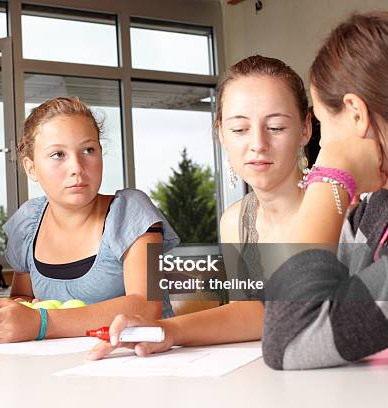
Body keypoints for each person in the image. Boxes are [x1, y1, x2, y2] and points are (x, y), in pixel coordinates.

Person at [87, 55, 314, 360]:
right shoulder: (236, 220)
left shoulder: (344, 205)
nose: (258, 143)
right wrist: (164, 330)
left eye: (275, 127)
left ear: (305, 129)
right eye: (239, 130)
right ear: (221, 134)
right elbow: (251, 312)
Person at [0, 97, 180, 343]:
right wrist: (5, 314)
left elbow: (146, 305)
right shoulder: (28, 223)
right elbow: (25, 300)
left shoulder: (132, 211)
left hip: (141, 360)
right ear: (31, 168)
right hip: (60, 365)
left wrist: (42, 323)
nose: (77, 167)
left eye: (88, 150)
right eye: (58, 154)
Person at [262, 11, 388, 370]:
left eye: (322, 125)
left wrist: (330, 173)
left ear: (356, 113)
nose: (321, 145)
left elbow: (290, 336)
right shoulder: (377, 212)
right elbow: (306, 292)